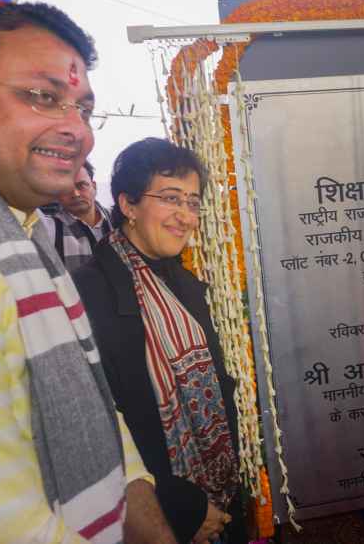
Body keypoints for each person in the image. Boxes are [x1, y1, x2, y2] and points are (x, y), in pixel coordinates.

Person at [0, 1, 182, 543]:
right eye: (42, 96)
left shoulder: (19, 231)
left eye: (82, 108)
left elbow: (98, 413)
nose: (75, 130)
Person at [73, 138, 246, 544]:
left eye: (192, 202)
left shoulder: (185, 281)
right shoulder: (86, 293)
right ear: (128, 205)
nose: (185, 216)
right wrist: (182, 506)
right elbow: (96, 426)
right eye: (171, 198)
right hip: (156, 510)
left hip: (220, 497)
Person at [41, 159, 113, 271]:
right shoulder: (50, 229)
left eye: (81, 185)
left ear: (94, 186)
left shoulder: (119, 220)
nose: (75, 194)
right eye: (66, 188)